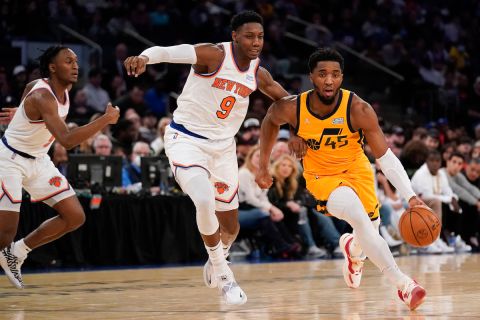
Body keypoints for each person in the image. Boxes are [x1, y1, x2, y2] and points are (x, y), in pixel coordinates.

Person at [124, 11, 288, 305]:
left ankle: (217, 257)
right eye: (249, 36)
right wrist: (144, 58)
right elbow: (166, 52)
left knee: (232, 228)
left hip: (223, 148)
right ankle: (226, 277)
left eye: (260, 36)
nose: (256, 42)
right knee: (203, 199)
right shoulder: (213, 55)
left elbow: (285, 101)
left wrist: (300, 127)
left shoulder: (258, 73)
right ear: (235, 36)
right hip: (186, 139)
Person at [255, 48, 428, 310]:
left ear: (342, 78)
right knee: (359, 218)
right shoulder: (293, 107)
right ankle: (404, 285)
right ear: (311, 77)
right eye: (322, 74)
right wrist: (264, 166)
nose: (328, 80)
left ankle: (352, 250)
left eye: (335, 75)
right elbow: (269, 121)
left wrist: (411, 197)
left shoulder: (359, 108)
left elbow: (386, 157)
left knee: (369, 229)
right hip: (321, 175)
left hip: (358, 169)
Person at [0, 45, 119, 289]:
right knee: (5, 233)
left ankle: (17, 253)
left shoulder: (50, 89)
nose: (76, 66)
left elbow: (27, 90)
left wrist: (21, 111)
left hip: (39, 159)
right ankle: (9, 247)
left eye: (76, 61)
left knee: (75, 216)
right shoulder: (43, 95)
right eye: (68, 61)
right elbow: (66, 140)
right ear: (52, 67)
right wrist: (105, 120)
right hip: (10, 160)